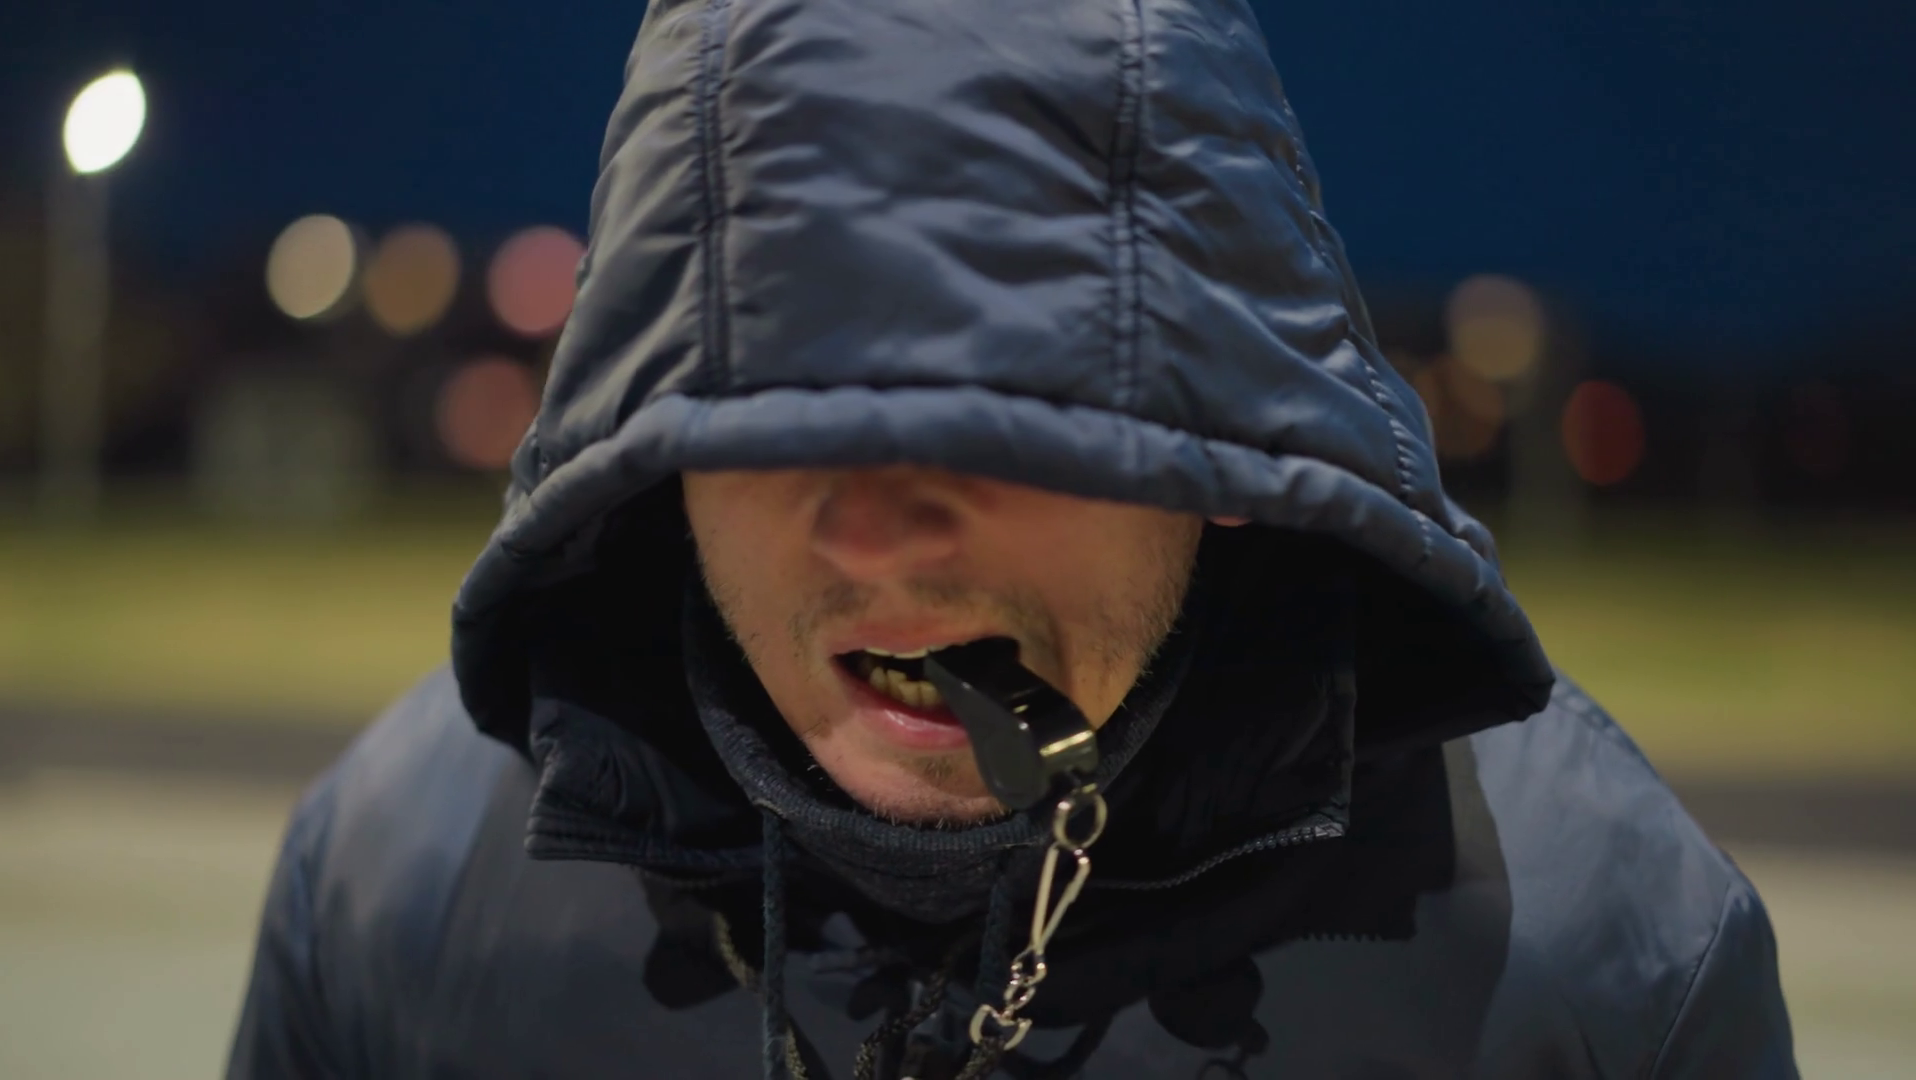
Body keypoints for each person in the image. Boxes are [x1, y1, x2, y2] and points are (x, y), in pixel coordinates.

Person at [228, 0, 1797, 1076]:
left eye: (1008, 423)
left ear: (1224, 451)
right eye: (772, 417)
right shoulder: (396, 886)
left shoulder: (1601, 958)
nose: (878, 536)